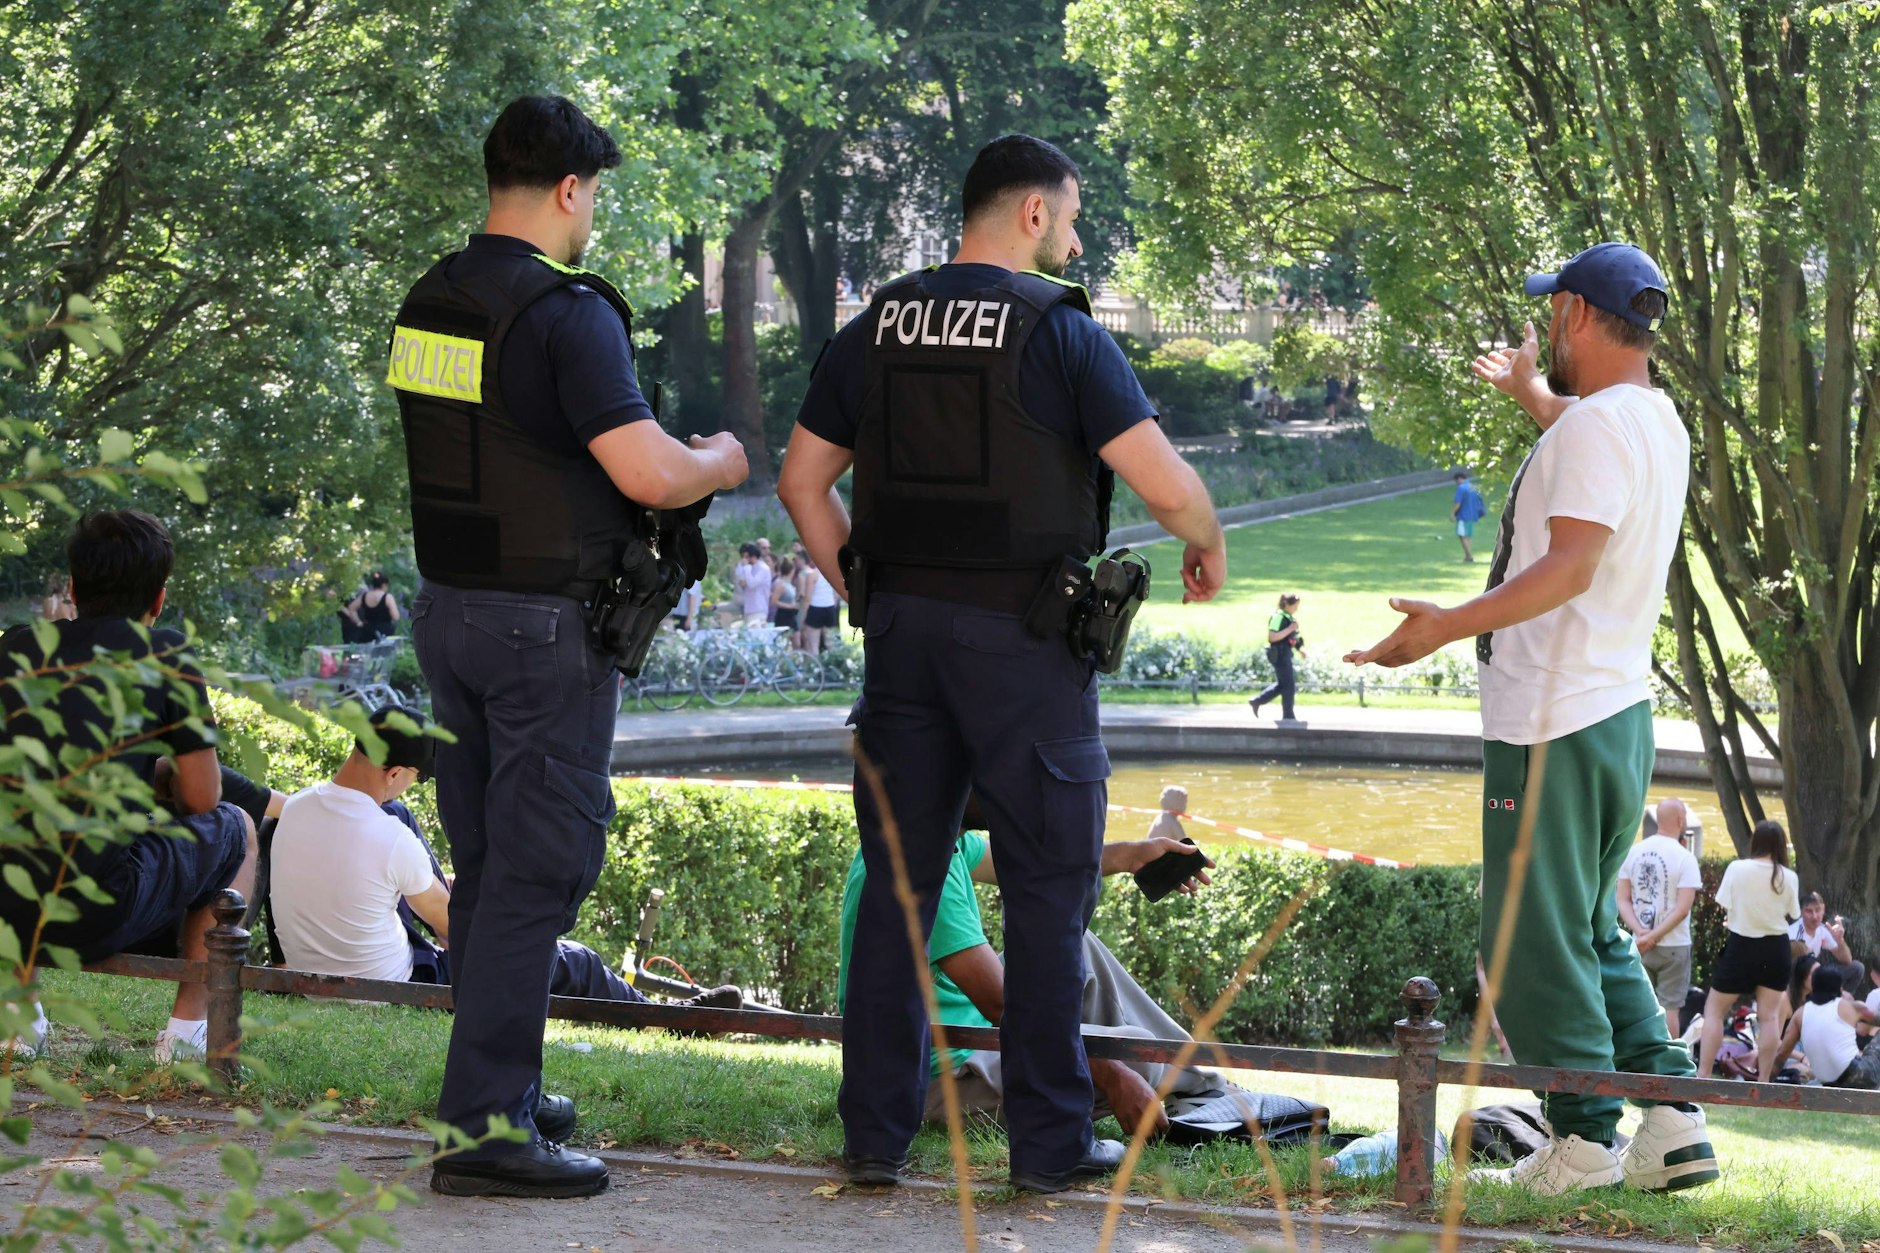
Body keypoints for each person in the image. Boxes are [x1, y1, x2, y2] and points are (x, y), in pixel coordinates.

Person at [777, 133, 1226, 1194]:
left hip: (902, 647)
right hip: (1025, 650)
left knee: (898, 888)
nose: (1071, 239)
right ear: (1029, 213)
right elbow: (1163, 485)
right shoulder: (1058, 332)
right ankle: (1049, 1141)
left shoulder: (875, 323)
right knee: (1044, 887)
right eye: (1068, 220)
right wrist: (1203, 536)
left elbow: (803, 481)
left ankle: (872, 1138)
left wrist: (866, 591)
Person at [386, 95, 747, 1199]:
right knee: (539, 870)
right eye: (597, 196)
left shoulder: (431, 299)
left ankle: (500, 1084)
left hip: (449, 610)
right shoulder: (564, 313)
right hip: (541, 626)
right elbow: (646, 472)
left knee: (495, 869)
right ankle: (486, 1129)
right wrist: (722, 460)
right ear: (571, 189)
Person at [1345, 242, 1711, 1196]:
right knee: (1590, 930)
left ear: (1580, 317)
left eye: (1555, 310)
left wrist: (1444, 627)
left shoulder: (1598, 429)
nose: (1548, 324)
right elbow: (1591, 458)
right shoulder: (1650, 420)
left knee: (1529, 940)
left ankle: (1584, 1138)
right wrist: (1533, 400)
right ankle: (1670, 1115)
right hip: (1613, 715)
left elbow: (1571, 564)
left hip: (1552, 721)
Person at [0, 511, 258, 1063]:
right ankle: (186, 1034)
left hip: (9, 903)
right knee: (237, 827)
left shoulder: (15, 647)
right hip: (97, 913)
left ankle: (20, 1018)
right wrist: (161, 775)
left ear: (73, 587)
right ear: (159, 600)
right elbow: (202, 800)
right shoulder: (165, 654)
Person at [269, 706, 739, 1007]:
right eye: (415, 775)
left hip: (319, 978)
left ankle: (661, 1012)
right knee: (571, 961)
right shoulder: (388, 838)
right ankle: (667, 1019)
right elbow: (455, 931)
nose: (413, 784)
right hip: (394, 988)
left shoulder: (295, 809)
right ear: (393, 772)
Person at [836, 825, 1231, 1137]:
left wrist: (1130, 856)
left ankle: (1202, 1083)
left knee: (1080, 948)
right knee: (1135, 1054)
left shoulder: (942, 840)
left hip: (971, 1036)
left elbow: (1034, 868)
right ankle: (1185, 1082)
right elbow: (1002, 1007)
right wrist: (1112, 1072)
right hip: (940, 1082)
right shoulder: (919, 871)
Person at [1695, 820, 1801, 1084]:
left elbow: (1725, 906)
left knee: (1715, 1011)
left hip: (1742, 945)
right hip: (1776, 949)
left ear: (1755, 842)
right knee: (1769, 1018)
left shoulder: (1737, 868)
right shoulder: (1788, 876)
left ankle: (1703, 1075)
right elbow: (1793, 915)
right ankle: (1763, 1081)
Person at [1616, 798, 1704, 1034]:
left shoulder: (1633, 852)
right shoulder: (1685, 858)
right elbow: (1683, 908)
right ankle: (1666, 1069)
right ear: (1679, 820)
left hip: (1639, 943)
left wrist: (1641, 932)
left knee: (1638, 1010)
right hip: (1674, 945)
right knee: (1670, 1011)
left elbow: (1622, 899)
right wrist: (1654, 936)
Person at [1769, 967, 1880, 1089]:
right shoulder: (1852, 1007)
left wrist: (1767, 1082)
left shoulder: (1800, 1014)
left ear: (1814, 986)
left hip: (1829, 1081)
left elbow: (1781, 1055)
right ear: (1840, 987)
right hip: (1859, 1075)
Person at [1789, 892, 1865, 992]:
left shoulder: (1822, 929)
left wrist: (1840, 940)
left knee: (1857, 968)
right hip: (1797, 979)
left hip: (1815, 975)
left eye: (1818, 910)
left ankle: (1837, 1003)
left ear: (1823, 909)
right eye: (1809, 911)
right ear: (1801, 912)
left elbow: (1847, 960)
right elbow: (1798, 971)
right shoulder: (1794, 934)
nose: (1815, 916)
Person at [1249, 593, 1303, 721]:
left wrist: (1299, 649)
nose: (1296, 609)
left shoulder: (1287, 617)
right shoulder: (1278, 617)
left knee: (1284, 684)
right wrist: (1290, 629)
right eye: (1295, 606)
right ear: (1288, 605)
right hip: (1279, 654)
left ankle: (1258, 701)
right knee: (1288, 684)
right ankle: (1288, 716)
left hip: (1284, 653)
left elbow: (1289, 639)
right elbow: (1272, 637)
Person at [798, 553, 840, 656]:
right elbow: (836, 595)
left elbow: (807, 598)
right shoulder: (832, 574)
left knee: (813, 645)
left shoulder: (812, 575)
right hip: (829, 608)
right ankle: (833, 667)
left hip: (815, 608)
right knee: (830, 643)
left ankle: (815, 669)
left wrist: (803, 616)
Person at [342, 571, 401, 641]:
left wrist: (358, 622)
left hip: (368, 630)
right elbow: (395, 616)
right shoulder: (387, 597)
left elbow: (351, 608)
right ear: (384, 585)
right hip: (385, 630)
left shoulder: (364, 596)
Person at [733, 542, 772, 626]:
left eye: (747, 557)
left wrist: (746, 568)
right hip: (748, 608)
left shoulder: (763, 568)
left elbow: (752, 584)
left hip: (759, 608)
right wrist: (741, 568)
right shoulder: (748, 568)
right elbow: (741, 586)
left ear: (754, 556)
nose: (745, 560)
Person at [1451, 471, 1487, 563]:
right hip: (1473, 515)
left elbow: (1458, 503)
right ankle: (1467, 556)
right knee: (1468, 536)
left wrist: (1452, 514)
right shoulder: (1473, 487)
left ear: (1459, 479)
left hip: (1463, 515)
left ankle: (1469, 556)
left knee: (1462, 536)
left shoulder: (1461, 488)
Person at [770, 555, 801, 641]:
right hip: (783, 616)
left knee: (797, 640)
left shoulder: (789, 584)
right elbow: (774, 601)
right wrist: (790, 606)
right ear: (791, 570)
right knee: (786, 640)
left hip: (791, 615)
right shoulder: (781, 584)